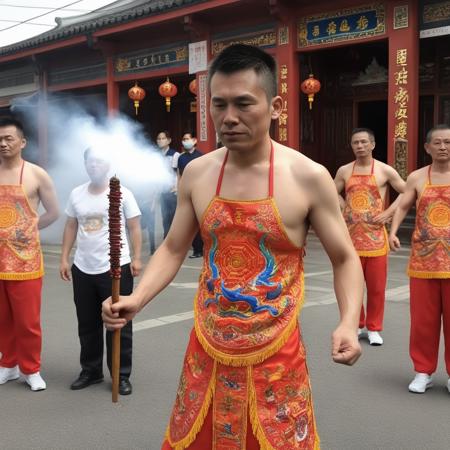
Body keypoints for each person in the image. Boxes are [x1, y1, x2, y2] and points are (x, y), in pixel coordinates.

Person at [103, 44, 363, 449]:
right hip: (207, 342)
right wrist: (138, 298)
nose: (229, 118)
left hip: (276, 347)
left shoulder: (308, 177)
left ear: (275, 105)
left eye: (244, 104)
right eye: (218, 105)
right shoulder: (198, 172)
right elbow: (173, 248)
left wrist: (349, 322)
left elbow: (345, 257)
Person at [60, 147, 142, 395]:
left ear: (108, 164)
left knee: (119, 323)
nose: (94, 165)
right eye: (90, 161)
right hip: (84, 266)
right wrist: (65, 258)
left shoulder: (122, 193)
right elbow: (71, 225)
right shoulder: (76, 193)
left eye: (99, 161)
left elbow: (134, 227)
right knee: (87, 323)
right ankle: (91, 370)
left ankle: (121, 374)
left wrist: (137, 258)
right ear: (85, 164)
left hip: (115, 268)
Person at [389, 124, 450, 394]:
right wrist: (392, 231)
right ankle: (423, 371)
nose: (443, 147)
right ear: (427, 147)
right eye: (437, 143)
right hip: (424, 261)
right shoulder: (416, 177)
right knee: (423, 322)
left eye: (448, 142)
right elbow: (402, 205)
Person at [0, 116, 59, 391]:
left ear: (22, 142)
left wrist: (31, 227)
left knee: (27, 320)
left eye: (8, 138)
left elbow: (53, 213)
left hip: (25, 260)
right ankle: (8, 364)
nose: (3, 143)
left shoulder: (36, 174)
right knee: (3, 318)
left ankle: (31, 368)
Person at [334, 128, 405, 346]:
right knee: (353, 286)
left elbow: (407, 191)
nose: (360, 146)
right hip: (351, 238)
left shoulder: (385, 170)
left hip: (376, 239)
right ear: (352, 145)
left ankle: (374, 328)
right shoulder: (345, 171)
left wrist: (389, 213)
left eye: (364, 142)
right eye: (356, 143)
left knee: (376, 288)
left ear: (373, 145)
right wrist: (344, 207)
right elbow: (330, 191)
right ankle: (357, 324)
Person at [177, 132, 203, 258]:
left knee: (200, 221)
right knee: (189, 221)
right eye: (183, 139)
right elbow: (179, 176)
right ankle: (195, 249)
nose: (185, 141)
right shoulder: (181, 158)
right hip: (186, 192)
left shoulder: (201, 156)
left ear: (194, 140)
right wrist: (179, 190)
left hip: (199, 191)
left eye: (187, 139)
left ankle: (201, 249)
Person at [156, 130, 180, 239]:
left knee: (173, 217)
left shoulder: (175, 155)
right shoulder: (156, 156)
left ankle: (174, 240)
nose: (160, 141)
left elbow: (178, 174)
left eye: (163, 138)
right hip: (162, 192)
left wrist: (177, 187)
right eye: (158, 139)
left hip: (172, 192)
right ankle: (167, 240)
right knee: (164, 217)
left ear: (169, 140)